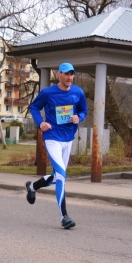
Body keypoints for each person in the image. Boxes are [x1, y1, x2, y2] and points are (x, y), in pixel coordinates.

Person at [24, 63, 88, 229]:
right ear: (58, 74)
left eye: (72, 74)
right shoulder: (48, 93)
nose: (69, 77)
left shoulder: (78, 92)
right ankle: (64, 217)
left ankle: (32, 186)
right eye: (66, 74)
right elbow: (34, 107)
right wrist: (40, 123)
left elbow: (83, 110)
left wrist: (78, 118)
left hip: (68, 138)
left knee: (57, 176)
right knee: (61, 176)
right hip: (52, 137)